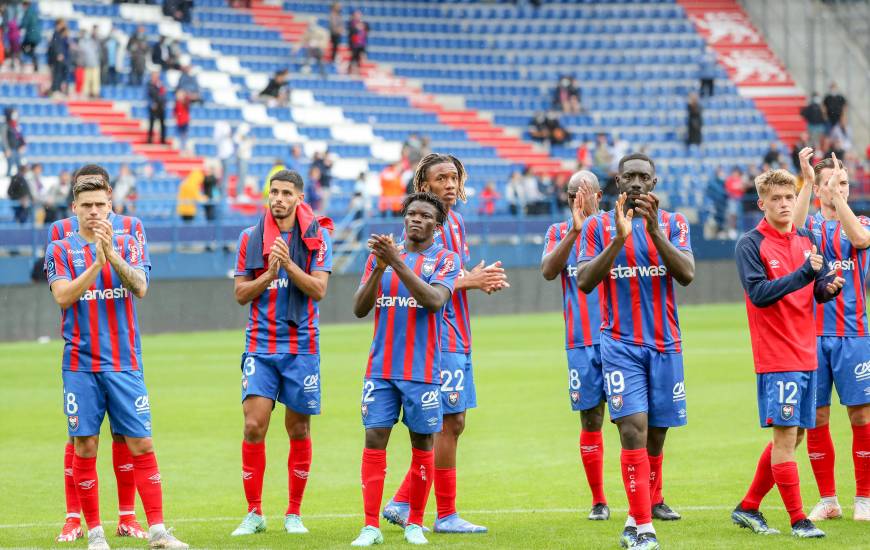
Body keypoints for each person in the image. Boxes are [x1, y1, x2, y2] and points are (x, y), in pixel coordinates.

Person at [44, 165, 187, 550]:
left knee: (141, 442)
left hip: (124, 363)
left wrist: (111, 254)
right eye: (86, 204)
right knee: (85, 445)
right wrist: (95, 262)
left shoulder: (128, 240)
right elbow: (62, 296)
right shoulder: (60, 246)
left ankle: (157, 530)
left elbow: (140, 286)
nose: (94, 211)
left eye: (100, 204)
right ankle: (94, 534)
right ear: (74, 207)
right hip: (80, 365)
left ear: (111, 205)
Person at [383, 154, 508, 534]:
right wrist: (473, 279)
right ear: (425, 185)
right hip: (439, 338)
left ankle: (404, 500)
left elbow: (456, 275)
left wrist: (478, 279)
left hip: (460, 333)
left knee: (452, 422)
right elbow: (431, 278)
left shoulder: (457, 223)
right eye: (441, 178)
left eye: (454, 177)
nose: (450, 184)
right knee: (445, 423)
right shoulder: (425, 228)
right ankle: (443, 513)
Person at [577, 153, 695, 549]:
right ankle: (644, 528)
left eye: (645, 177)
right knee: (632, 429)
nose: (637, 183)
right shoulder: (597, 225)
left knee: (656, 436)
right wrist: (619, 239)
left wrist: (655, 232)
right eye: (630, 176)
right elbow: (585, 281)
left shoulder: (675, 223)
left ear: (655, 182)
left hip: (665, 344)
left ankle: (634, 513)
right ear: (617, 180)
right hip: (619, 344)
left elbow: (687, 275)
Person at [732, 167, 844, 539]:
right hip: (777, 356)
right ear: (761, 203)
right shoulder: (750, 244)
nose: (783, 204)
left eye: (788, 198)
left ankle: (748, 507)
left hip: (806, 353)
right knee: (785, 439)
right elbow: (759, 294)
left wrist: (829, 288)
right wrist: (803, 275)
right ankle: (799, 520)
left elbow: (814, 289)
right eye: (776, 199)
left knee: (793, 437)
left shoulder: (805, 238)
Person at [350, 192, 460, 547]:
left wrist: (396, 263)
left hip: (423, 371)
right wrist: (381, 266)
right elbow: (359, 308)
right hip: (380, 369)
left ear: (437, 225)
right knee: (374, 439)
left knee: (422, 443)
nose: (416, 220)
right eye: (411, 214)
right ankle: (370, 525)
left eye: (425, 216)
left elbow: (433, 301)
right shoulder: (379, 259)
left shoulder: (446, 259)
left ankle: (414, 522)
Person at [230, 169, 333, 537]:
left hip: (301, 346)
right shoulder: (249, 238)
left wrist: (289, 264)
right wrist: (269, 274)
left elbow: (319, 290)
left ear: (299, 198)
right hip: (260, 345)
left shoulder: (316, 237)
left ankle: (293, 513)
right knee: (254, 425)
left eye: (286, 193)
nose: (278, 198)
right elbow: (241, 294)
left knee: (299, 427)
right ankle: (254, 512)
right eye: (273, 192)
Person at [792, 150, 870, 522]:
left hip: (853, 335)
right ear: (818, 189)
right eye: (833, 183)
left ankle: (865, 499)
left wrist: (838, 197)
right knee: (818, 417)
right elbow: (790, 228)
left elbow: (861, 240)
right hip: (812, 335)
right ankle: (828, 500)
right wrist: (808, 180)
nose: (841, 188)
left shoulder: (861, 221)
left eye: (845, 183)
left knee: (860, 416)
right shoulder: (809, 227)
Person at [541, 171, 610, 520]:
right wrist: (575, 228)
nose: (577, 201)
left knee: (637, 421)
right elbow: (549, 271)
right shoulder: (557, 232)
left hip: (621, 338)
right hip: (581, 341)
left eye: (584, 194)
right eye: (571, 196)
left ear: (599, 195)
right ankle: (599, 500)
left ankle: (651, 498)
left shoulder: (616, 229)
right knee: (591, 418)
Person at [48, 19, 71, 95]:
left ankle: (59, 89)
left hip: (63, 57)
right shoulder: (56, 33)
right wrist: (58, 54)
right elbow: (55, 45)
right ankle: (55, 89)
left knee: (61, 74)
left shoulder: (61, 34)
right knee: (57, 73)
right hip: (58, 57)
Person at [19, 0, 40, 71]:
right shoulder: (34, 11)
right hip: (37, 36)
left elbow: (24, 24)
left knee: (22, 48)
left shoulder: (28, 12)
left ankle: (22, 64)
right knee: (31, 49)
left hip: (31, 36)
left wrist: (18, 27)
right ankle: (35, 62)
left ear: (25, 5)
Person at [147, 71, 166, 144]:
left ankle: (162, 140)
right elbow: (146, 95)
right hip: (153, 107)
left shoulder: (160, 84)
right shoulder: (149, 85)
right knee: (151, 124)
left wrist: (164, 103)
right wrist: (151, 103)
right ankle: (150, 140)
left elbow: (163, 94)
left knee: (162, 124)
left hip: (160, 106)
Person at [346, 10, 368, 75]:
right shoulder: (351, 23)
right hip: (354, 44)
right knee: (353, 58)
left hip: (361, 44)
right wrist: (356, 27)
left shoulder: (363, 23)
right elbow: (351, 33)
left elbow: (367, 29)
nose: (358, 16)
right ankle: (350, 70)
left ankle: (358, 71)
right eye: (357, 15)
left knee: (359, 59)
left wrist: (362, 26)